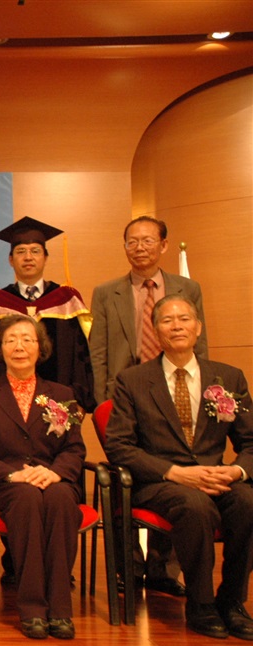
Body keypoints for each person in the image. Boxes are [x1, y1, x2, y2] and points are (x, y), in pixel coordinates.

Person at [105, 294, 253, 641]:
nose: (177, 326)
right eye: (167, 321)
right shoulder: (133, 380)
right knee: (194, 505)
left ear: (198, 327)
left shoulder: (228, 378)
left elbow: (250, 442)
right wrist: (175, 472)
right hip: (160, 482)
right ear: (156, 331)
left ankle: (232, 601)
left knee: (248, 501)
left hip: (216, 476)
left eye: (184, 319)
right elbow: (119, 446)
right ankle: (201, 604)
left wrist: (235, 472)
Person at [90, 216, 205, 598]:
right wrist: (103, 402)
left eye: (148, 240)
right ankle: (128, 567)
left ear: (164, 245)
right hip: (125, 399)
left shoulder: (187, 288)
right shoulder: (107, 292)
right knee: (127, 477)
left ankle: (162, 568)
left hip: (175, 393)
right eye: (132, 241)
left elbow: (199, 344)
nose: (140, 248)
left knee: (175, 470)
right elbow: (99, 351)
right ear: (124, 246)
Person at [0, 314, 86, 640]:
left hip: (51, 478)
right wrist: (12, 475)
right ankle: (32, 608)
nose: (19, 347)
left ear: (40, 348)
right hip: (5, 484)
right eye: (11, 340)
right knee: (27, 498)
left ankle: (60, 609)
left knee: (62, 499)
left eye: (27, 339)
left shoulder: (61, 393)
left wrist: (55, 473)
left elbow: (74, 448)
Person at [0, 216, 95, 413]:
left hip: (60, 410)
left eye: (35, 251)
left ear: (45, 258)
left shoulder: (67, 301)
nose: (28, 257)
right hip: (4, 411)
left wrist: (78, 403)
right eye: (21, 251)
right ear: (11, 260)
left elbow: (80, 359)